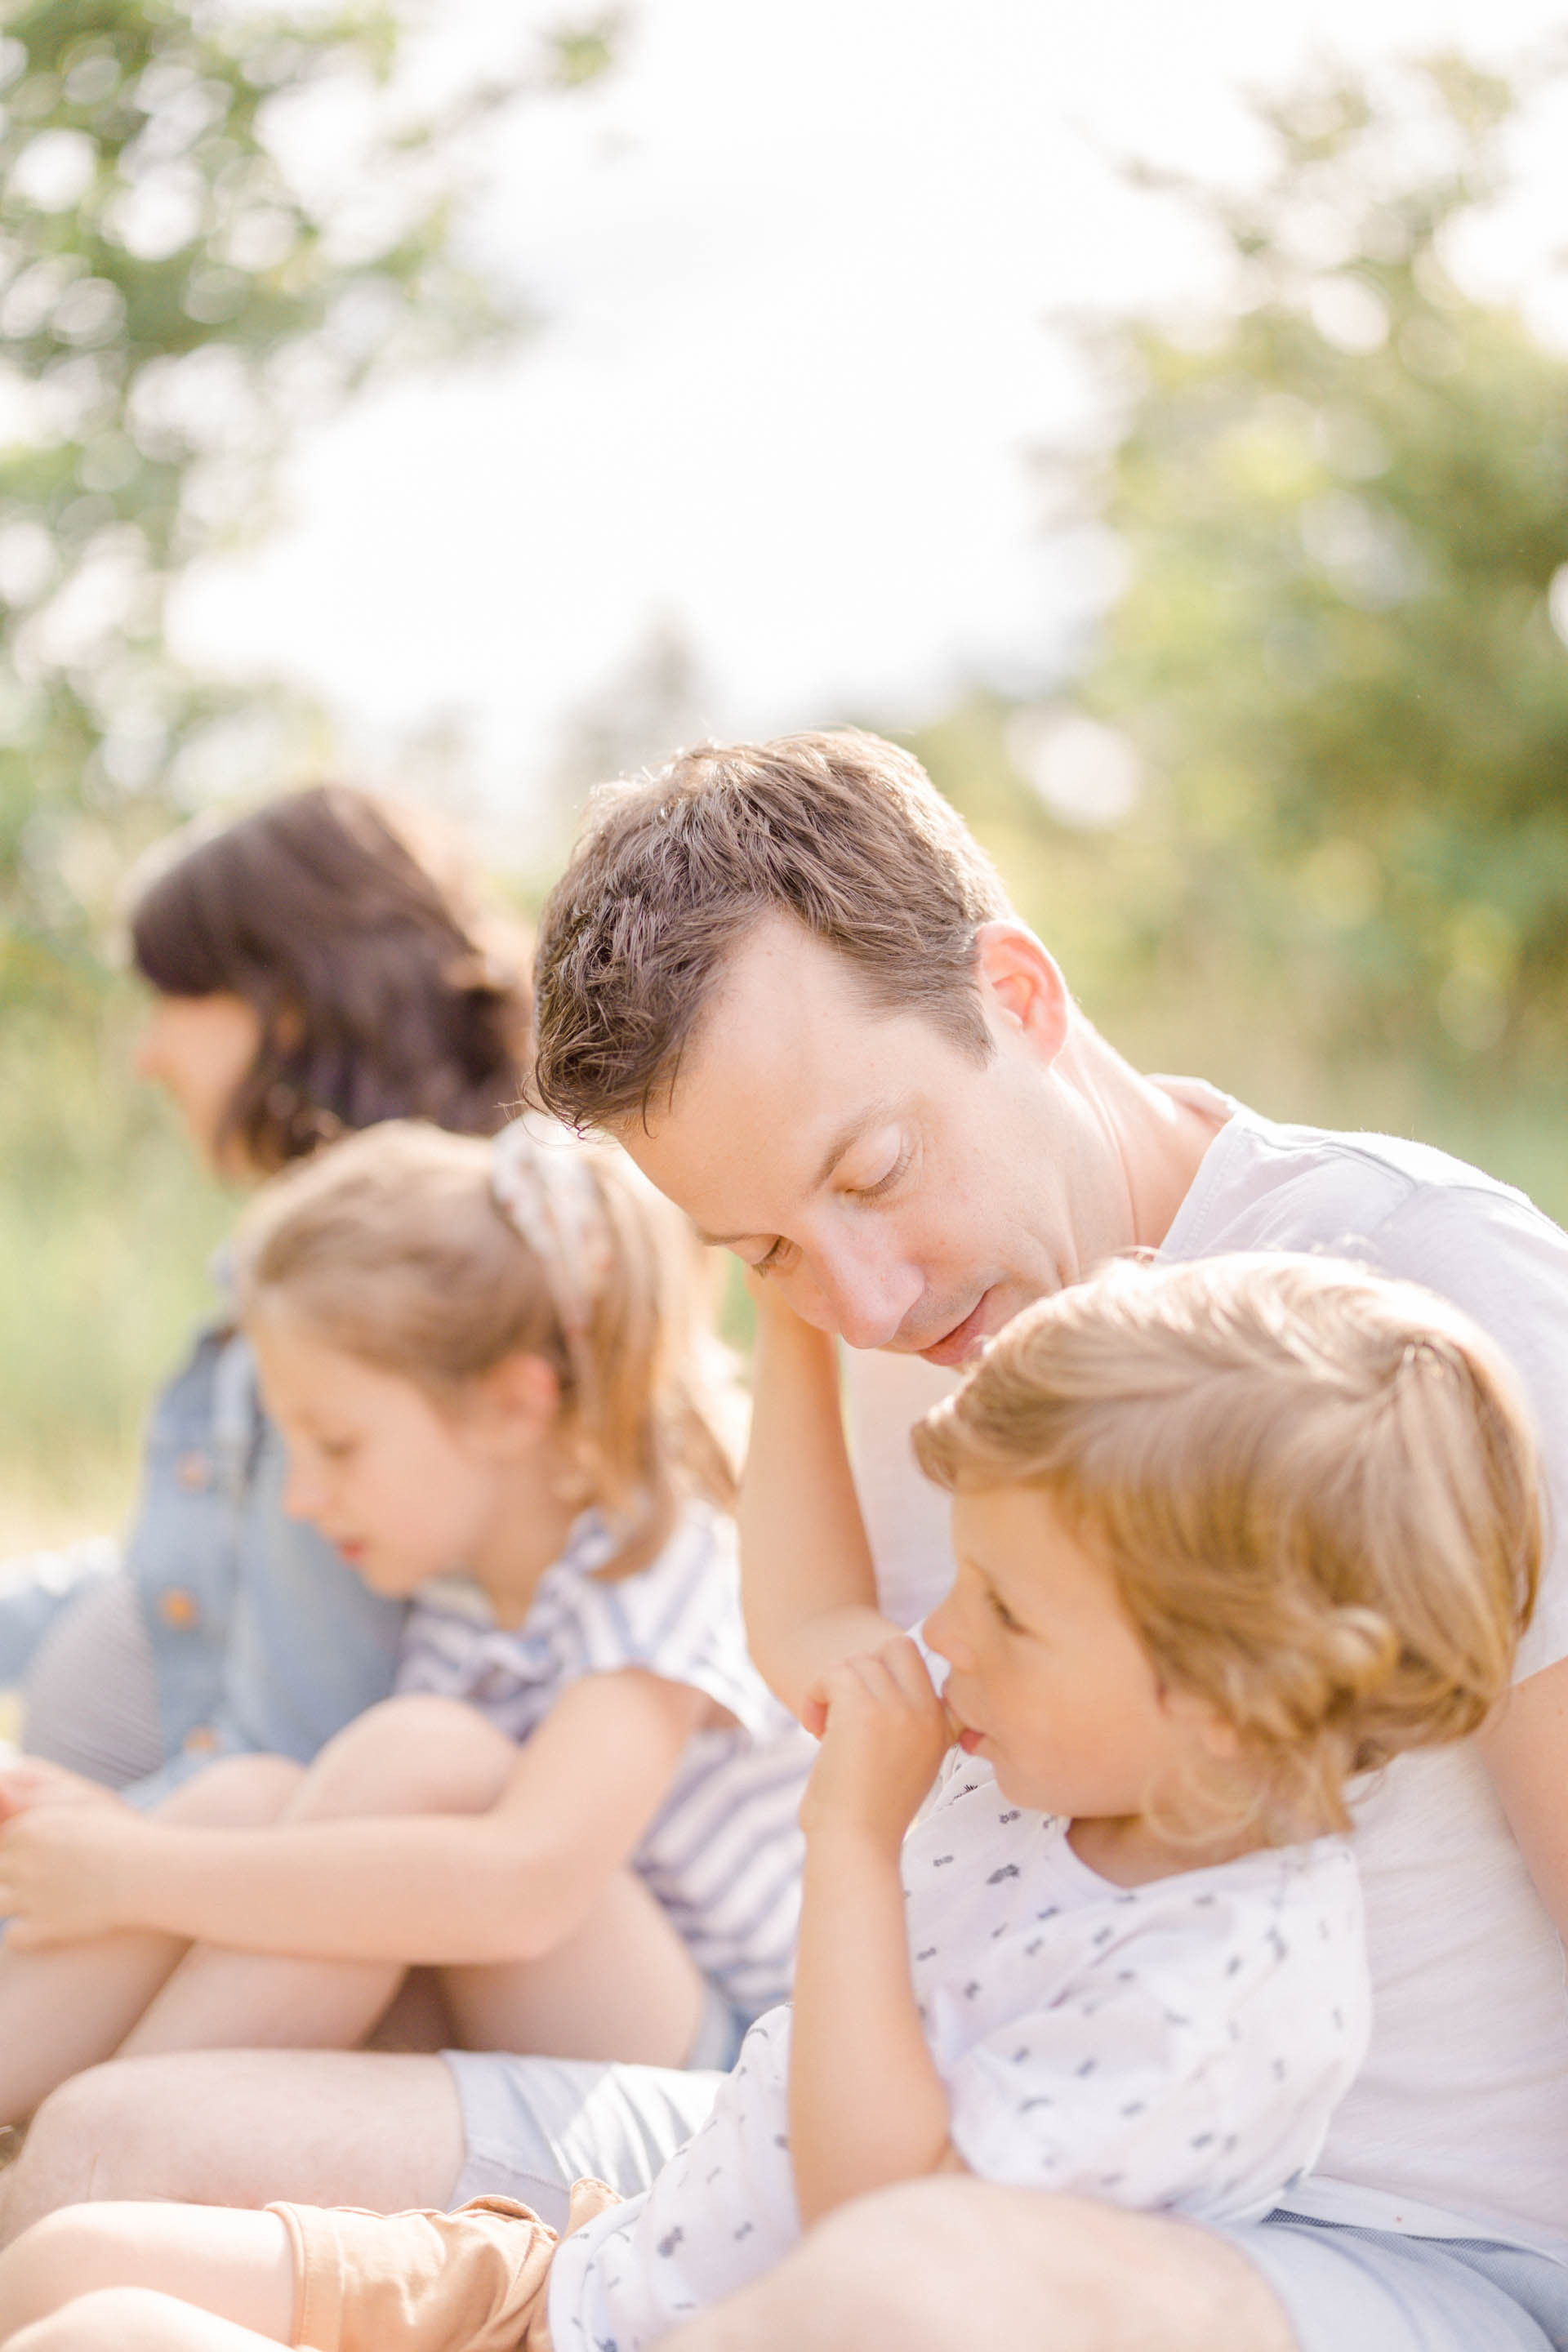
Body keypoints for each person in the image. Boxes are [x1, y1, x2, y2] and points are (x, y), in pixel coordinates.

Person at [7, 728, 1568, 2352]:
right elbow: (810, 1640)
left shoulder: (1420, 1302)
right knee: (114, 2160)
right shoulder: (873, 1326)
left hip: (1366, 2239)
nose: (872, 1297)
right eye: (764, 1248)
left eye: (874, 1171)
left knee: (908, 2285)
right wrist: (800, 1278)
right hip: (850, 2115)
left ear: (1020, 999)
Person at [0, 1250, 1540, 2352]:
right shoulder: (1049, 1763)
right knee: (68, 2256)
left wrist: (853, 1842)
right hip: (582, 2274)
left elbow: (889, 2211)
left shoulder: (1226, 1994)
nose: (946, 1638)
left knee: (107, 2327)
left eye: (1007, 1608)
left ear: (1214, 1697)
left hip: (666, 2320)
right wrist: (786, 1316)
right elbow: (813, 1623)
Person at [0, 1118, 811, 2146]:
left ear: (514, 1406)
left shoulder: (660, 1570)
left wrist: (131, 1870)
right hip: (514, 2003)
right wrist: (121, 1845)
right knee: (249, 1799)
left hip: (716, 2062)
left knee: (418, 1758)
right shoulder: (462, 1587)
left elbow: (524, 1891)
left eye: (337, 1445)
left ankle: (94, 2153)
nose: (301, 1497)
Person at [0, 784, 532, 1805]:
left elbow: (289, 1747)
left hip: (175, 1866)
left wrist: (67, 1851)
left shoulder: (374, 1318)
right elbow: (174, 1576)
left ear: (284, 1003)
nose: (149, 1051)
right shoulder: (326, 1272)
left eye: (176, 998)